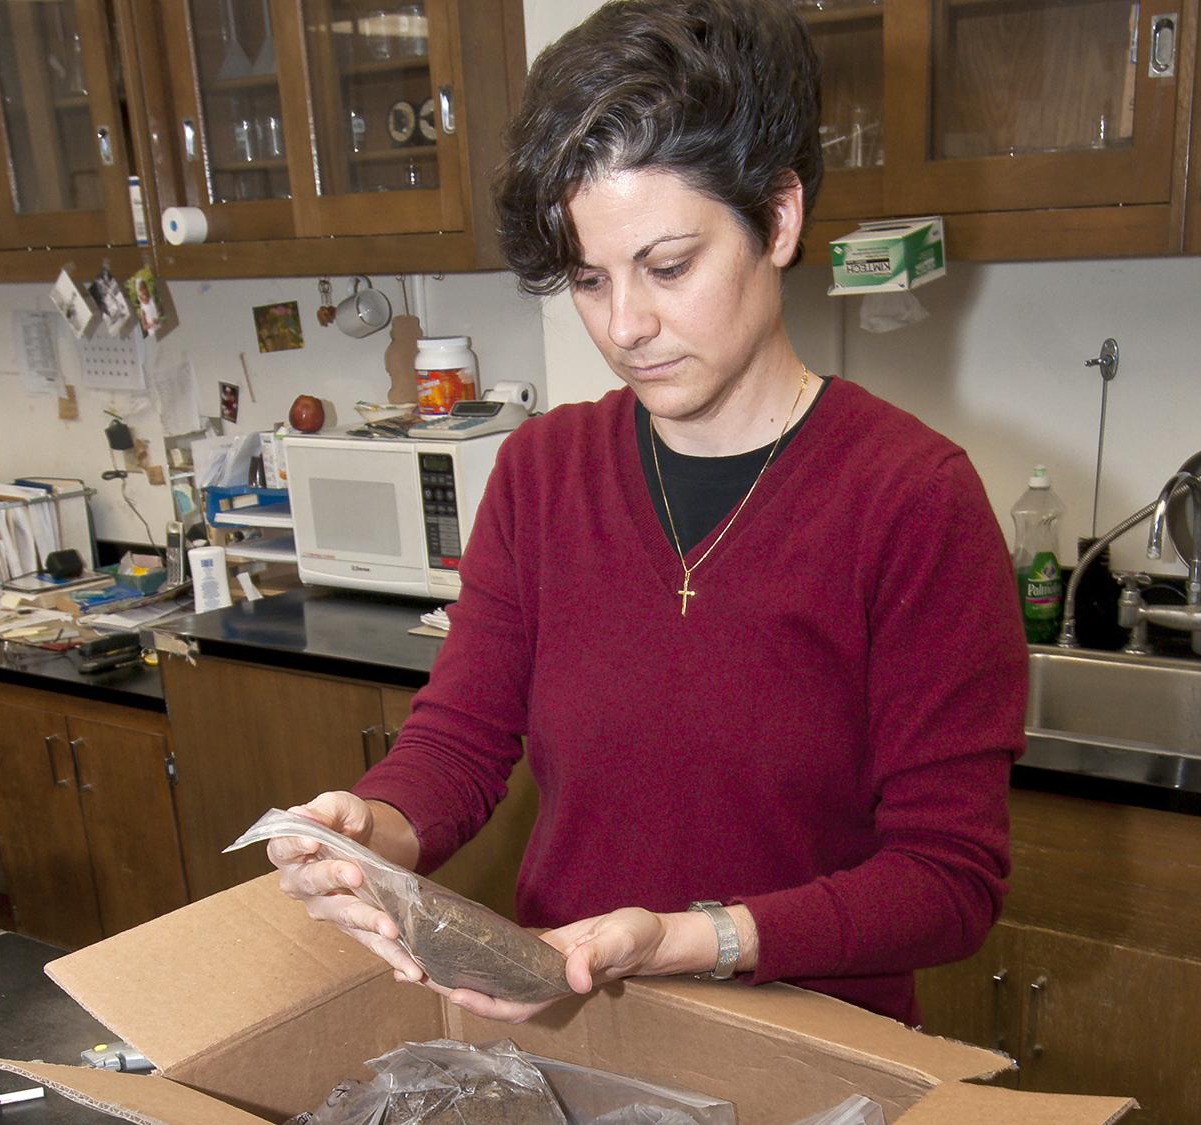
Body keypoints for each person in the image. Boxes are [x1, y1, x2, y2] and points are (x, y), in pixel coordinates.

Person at [267, 0, 1026, 1029]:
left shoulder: (912, 500)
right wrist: (367, 835)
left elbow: (949, 881)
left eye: (669, 267)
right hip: (579, 1028)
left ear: (780, 216)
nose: (625, 326)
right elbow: (458, 744)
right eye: (588, 280)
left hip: (813, 1052)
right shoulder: (543, 473)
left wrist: (690, 938)